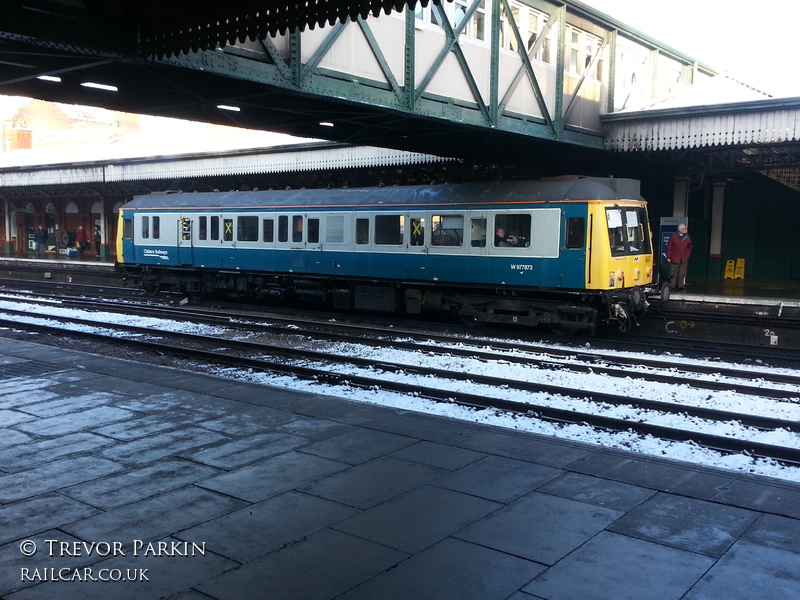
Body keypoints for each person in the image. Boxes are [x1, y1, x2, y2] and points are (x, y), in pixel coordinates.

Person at [666, 223, 692, 290]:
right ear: (680, 230)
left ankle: (680, 285)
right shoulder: (673, 236)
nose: (686, 230)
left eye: (686, 228)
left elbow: (689, 247)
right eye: (684, 229)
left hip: (684, 258)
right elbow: (669, 247)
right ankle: (672, 285)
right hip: (674, 257)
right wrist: (668, 257)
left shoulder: (687, 237)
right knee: (673, 273)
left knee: (682, 273)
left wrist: (687, 255)